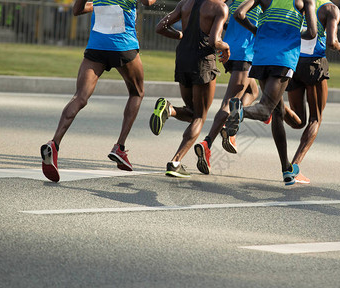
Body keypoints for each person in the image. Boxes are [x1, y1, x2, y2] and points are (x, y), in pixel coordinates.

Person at [40, 0, 156, 183]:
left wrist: (102, 5)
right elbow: (149, 2)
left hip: (97, 46)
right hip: (123, 45)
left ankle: (53, 144)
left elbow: (77, 10)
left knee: (80, 97)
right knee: (137, 93)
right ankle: (120, 147)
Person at [225, 0, 317, 185]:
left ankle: (286, 169)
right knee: (266, 109)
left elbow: (238, 14)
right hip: (283, 58)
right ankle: (240, 111)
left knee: (277, 112)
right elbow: (312, 33)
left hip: (261, 55)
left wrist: (256, 30)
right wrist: (293, 34)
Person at [153, 0, 230, 178]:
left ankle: (169, 110)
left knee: (191, 111)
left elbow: (160, 27)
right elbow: (215, 40)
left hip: (182, 58)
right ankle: (175, 162)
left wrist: (182, 36)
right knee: (199, 117)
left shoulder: (185, 3)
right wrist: (226, 47)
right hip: (203, 61)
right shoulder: (219, 7)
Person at [283, 0, 340, 184]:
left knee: (297, 120)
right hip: (314, 65)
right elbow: (331, 42)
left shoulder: (298, 2)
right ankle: (293, 168)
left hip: (293, 62)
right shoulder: (330, 9)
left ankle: (276, 106)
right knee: (315, 119)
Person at [193, 0, 262, 175]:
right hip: (244, 54)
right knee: (229, 101)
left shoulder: (235, 2)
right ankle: (207, 143)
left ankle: (232, 125)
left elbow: (226, 24)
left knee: (253, 91)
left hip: (230, 52)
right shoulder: (261, 3)